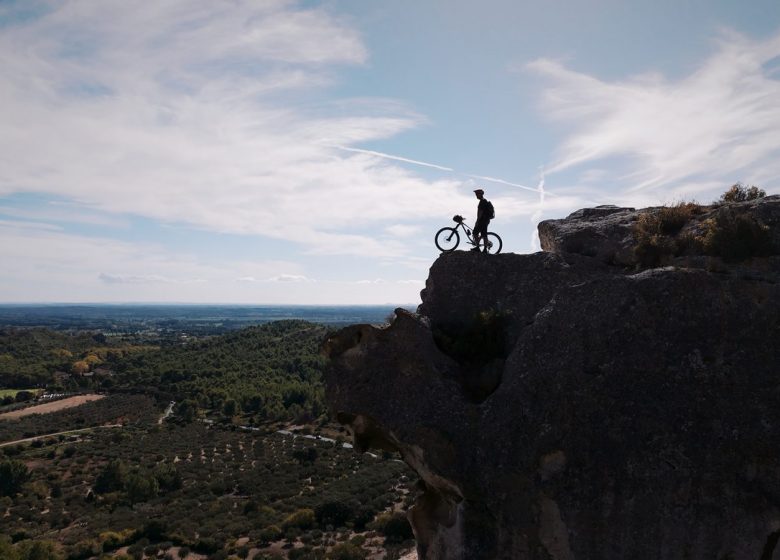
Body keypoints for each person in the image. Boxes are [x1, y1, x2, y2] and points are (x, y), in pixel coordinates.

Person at [471, 188, 492, 253]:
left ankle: (478, 248)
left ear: (481, 194)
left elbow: (480, 212)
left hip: (482, 221)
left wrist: (477, 221)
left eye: (477, 194)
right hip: (485, 220)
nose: (476, 195)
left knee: (475, 233)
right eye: (476, 194)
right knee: (483, 234)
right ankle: (484, 249)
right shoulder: (484, 201)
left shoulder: (482, 201)